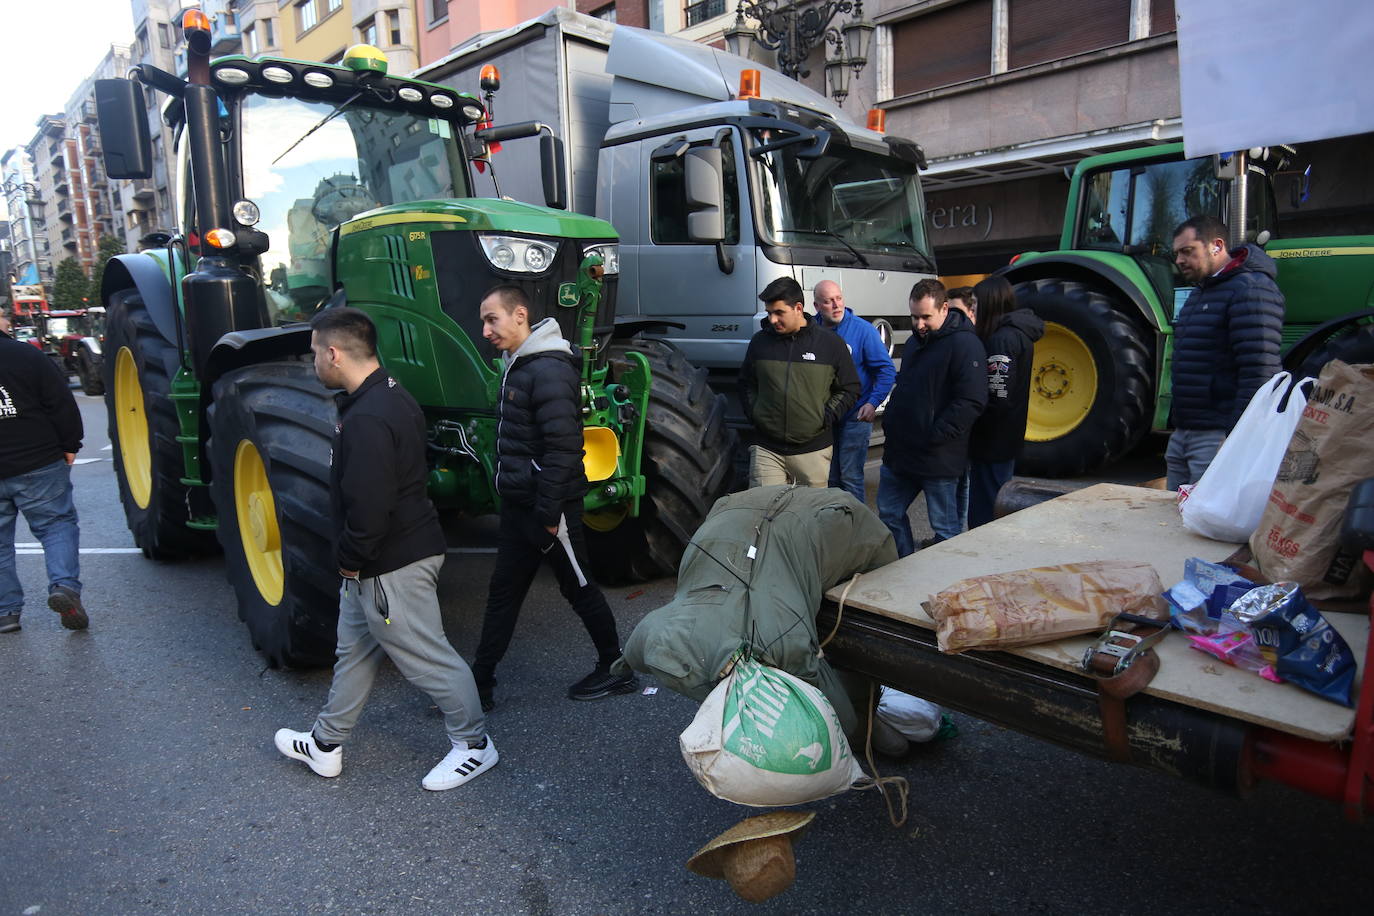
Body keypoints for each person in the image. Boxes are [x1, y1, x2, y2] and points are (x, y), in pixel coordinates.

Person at [274, 307, 497, 792]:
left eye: (315, 352)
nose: (314, 361)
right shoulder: (387, 394)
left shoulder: (369, 419)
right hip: (380, 561)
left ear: (333, 353)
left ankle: (474, 745)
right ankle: (326, 744)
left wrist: (350, 561)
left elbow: (370, 508)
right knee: (352, 652)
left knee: (426, 657)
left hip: (388, 564)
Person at [472, 285, 635, 710]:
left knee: (580, 589)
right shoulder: (520, 365)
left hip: (548, 511)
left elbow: (565, 449)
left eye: (493, 319)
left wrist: (548, 514)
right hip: (520, 506)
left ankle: (616, 670)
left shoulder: (548, 369)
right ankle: (479, 686)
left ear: (520, 315)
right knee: (502, 594)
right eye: (484, 320)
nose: (486, 329)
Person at [1168, 215, 1285, 490]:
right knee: (1170, 521)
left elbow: (1260, 371)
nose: (1179, 261)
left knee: (1203, 525)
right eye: (1176, 254)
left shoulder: (1251, 289)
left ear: (1217, 246)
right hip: (1184, 433)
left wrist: (1237, 437)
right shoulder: (1201, 293)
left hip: (1217, 436)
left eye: (1187, 251)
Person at [877, 279, 987, 556]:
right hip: (901, 453)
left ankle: (942, 586)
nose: (918, 324)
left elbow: (971, 401)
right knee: (889, 513)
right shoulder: (916, 343)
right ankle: (904, 569)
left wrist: (934, 436)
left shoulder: (965, 344)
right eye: (914, 317)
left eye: (925, 317)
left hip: (938, 457)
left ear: (945, 309)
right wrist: (892, 421)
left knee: (945, 529)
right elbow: (906, 387)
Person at [0, 309, 89, 634]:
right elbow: (60, 401)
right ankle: (64, 587)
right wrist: (70, 444)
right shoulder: (26, 355)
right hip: (37, 458)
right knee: (56, 526)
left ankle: (6, 612)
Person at [739, 277, 860, 488]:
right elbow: (746, 383)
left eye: (779, 313)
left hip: (813, 451)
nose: (772, 319)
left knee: (809, 518)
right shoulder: (759, 342)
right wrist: (756, 413)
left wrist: (824, 417)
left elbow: (850, 388)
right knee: (764, 514)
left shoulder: (830, 344)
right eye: (769, 313)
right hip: (767, 449)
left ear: (798, 308)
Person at [966, 276, 1044, 527]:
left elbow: (998, 394)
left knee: (988, 503)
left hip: (993, 438)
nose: (973, 307)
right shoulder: (1015, 334)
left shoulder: (1002, 339)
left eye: (976, 302)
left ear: (990, 302)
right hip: (1004, 435)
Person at [811, 280, 896, 503]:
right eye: (828, 301)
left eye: (838, 298)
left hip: (855, 415)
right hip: (824, 417)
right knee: (829, 478)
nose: (836, 305)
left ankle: (857, 532)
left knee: (850, 477)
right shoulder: (810, 330)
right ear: (817, 306)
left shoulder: (863, 330)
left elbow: (886, 370)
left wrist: (873, 403)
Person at [945, 285, 977, 528]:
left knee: (964, 486)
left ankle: (959, 531)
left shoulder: (973, 344)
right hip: (952, 434)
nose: (952, 319)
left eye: (958, 313)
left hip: (966, 434)